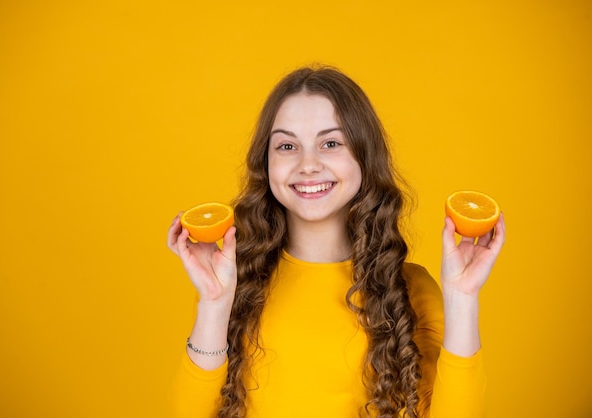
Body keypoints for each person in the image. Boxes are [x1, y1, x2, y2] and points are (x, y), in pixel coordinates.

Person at [167, 66, 505, 418]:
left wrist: (463, 299)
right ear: (266, 163)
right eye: (287, 145)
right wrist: (214, 304)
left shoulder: (411, 291)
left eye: (330, 143)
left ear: (364, 155)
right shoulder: (235, 283)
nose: (308, 164)